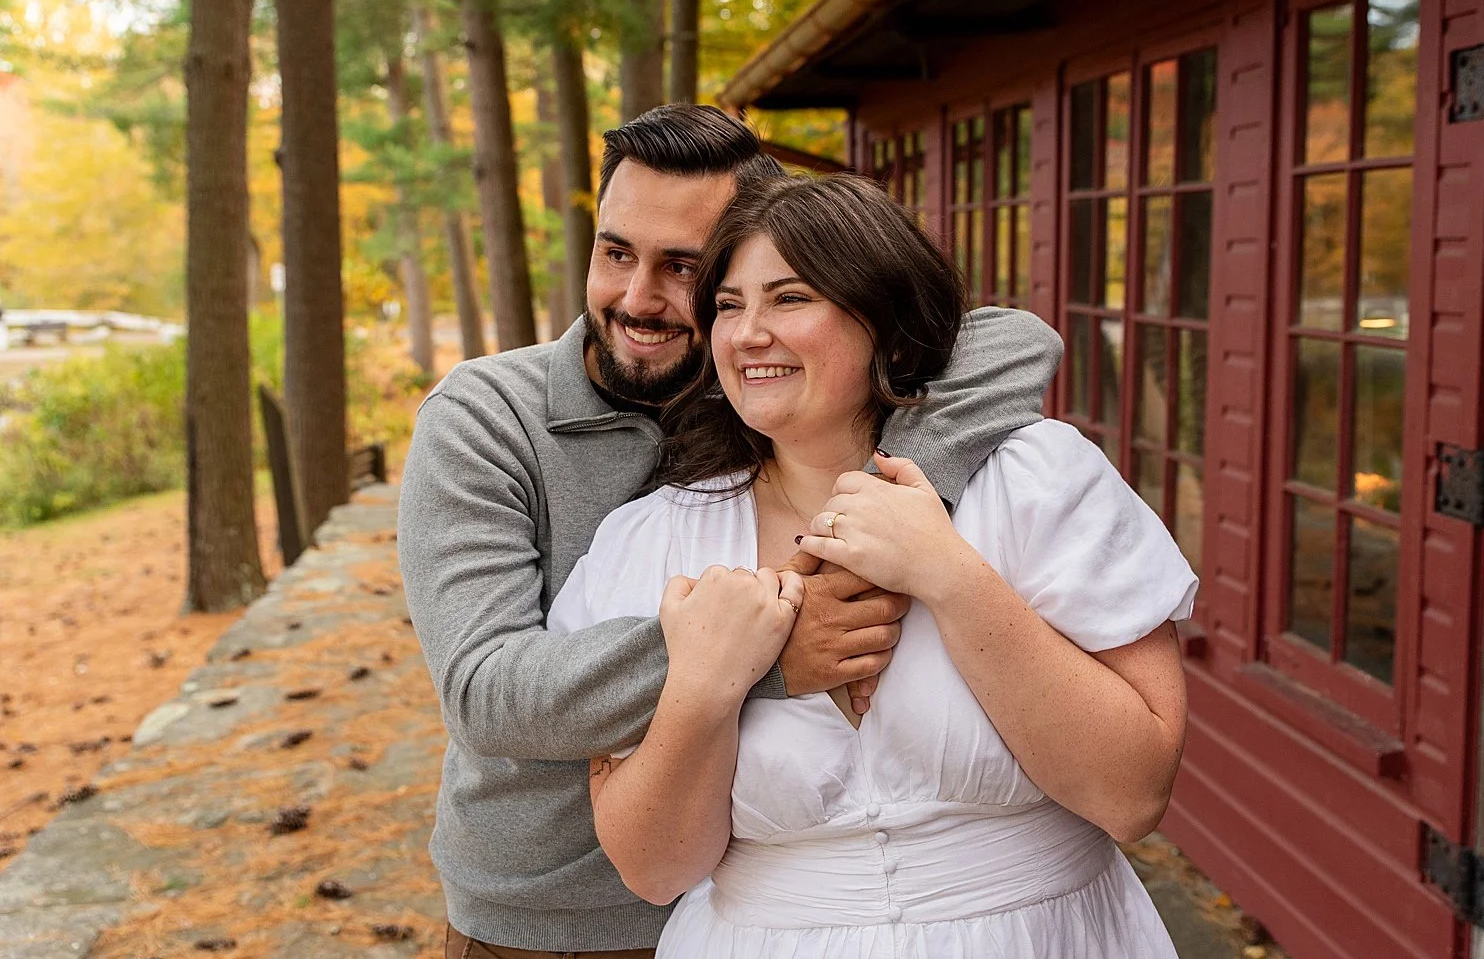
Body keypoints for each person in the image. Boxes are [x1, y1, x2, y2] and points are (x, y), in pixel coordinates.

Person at [397, 104, 1064, 958]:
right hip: (560, 918)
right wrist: (766, 648)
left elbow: (1014, 338)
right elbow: (489, 694)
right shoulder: (488, 419)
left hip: (762, 906)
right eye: (615, 253)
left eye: (684, 266)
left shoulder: (764, 385)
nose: (637, 298)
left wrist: (878, 498)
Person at [554, 172, 1198, 958]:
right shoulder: (650, 541)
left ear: (887, 323)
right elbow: (653, 870)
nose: (748, 332)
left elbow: (1134, 795)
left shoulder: (1036, 480)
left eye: (790, 298)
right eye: (729, 304)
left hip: (1045, 933)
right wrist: (703, 685)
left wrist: (948, 574)